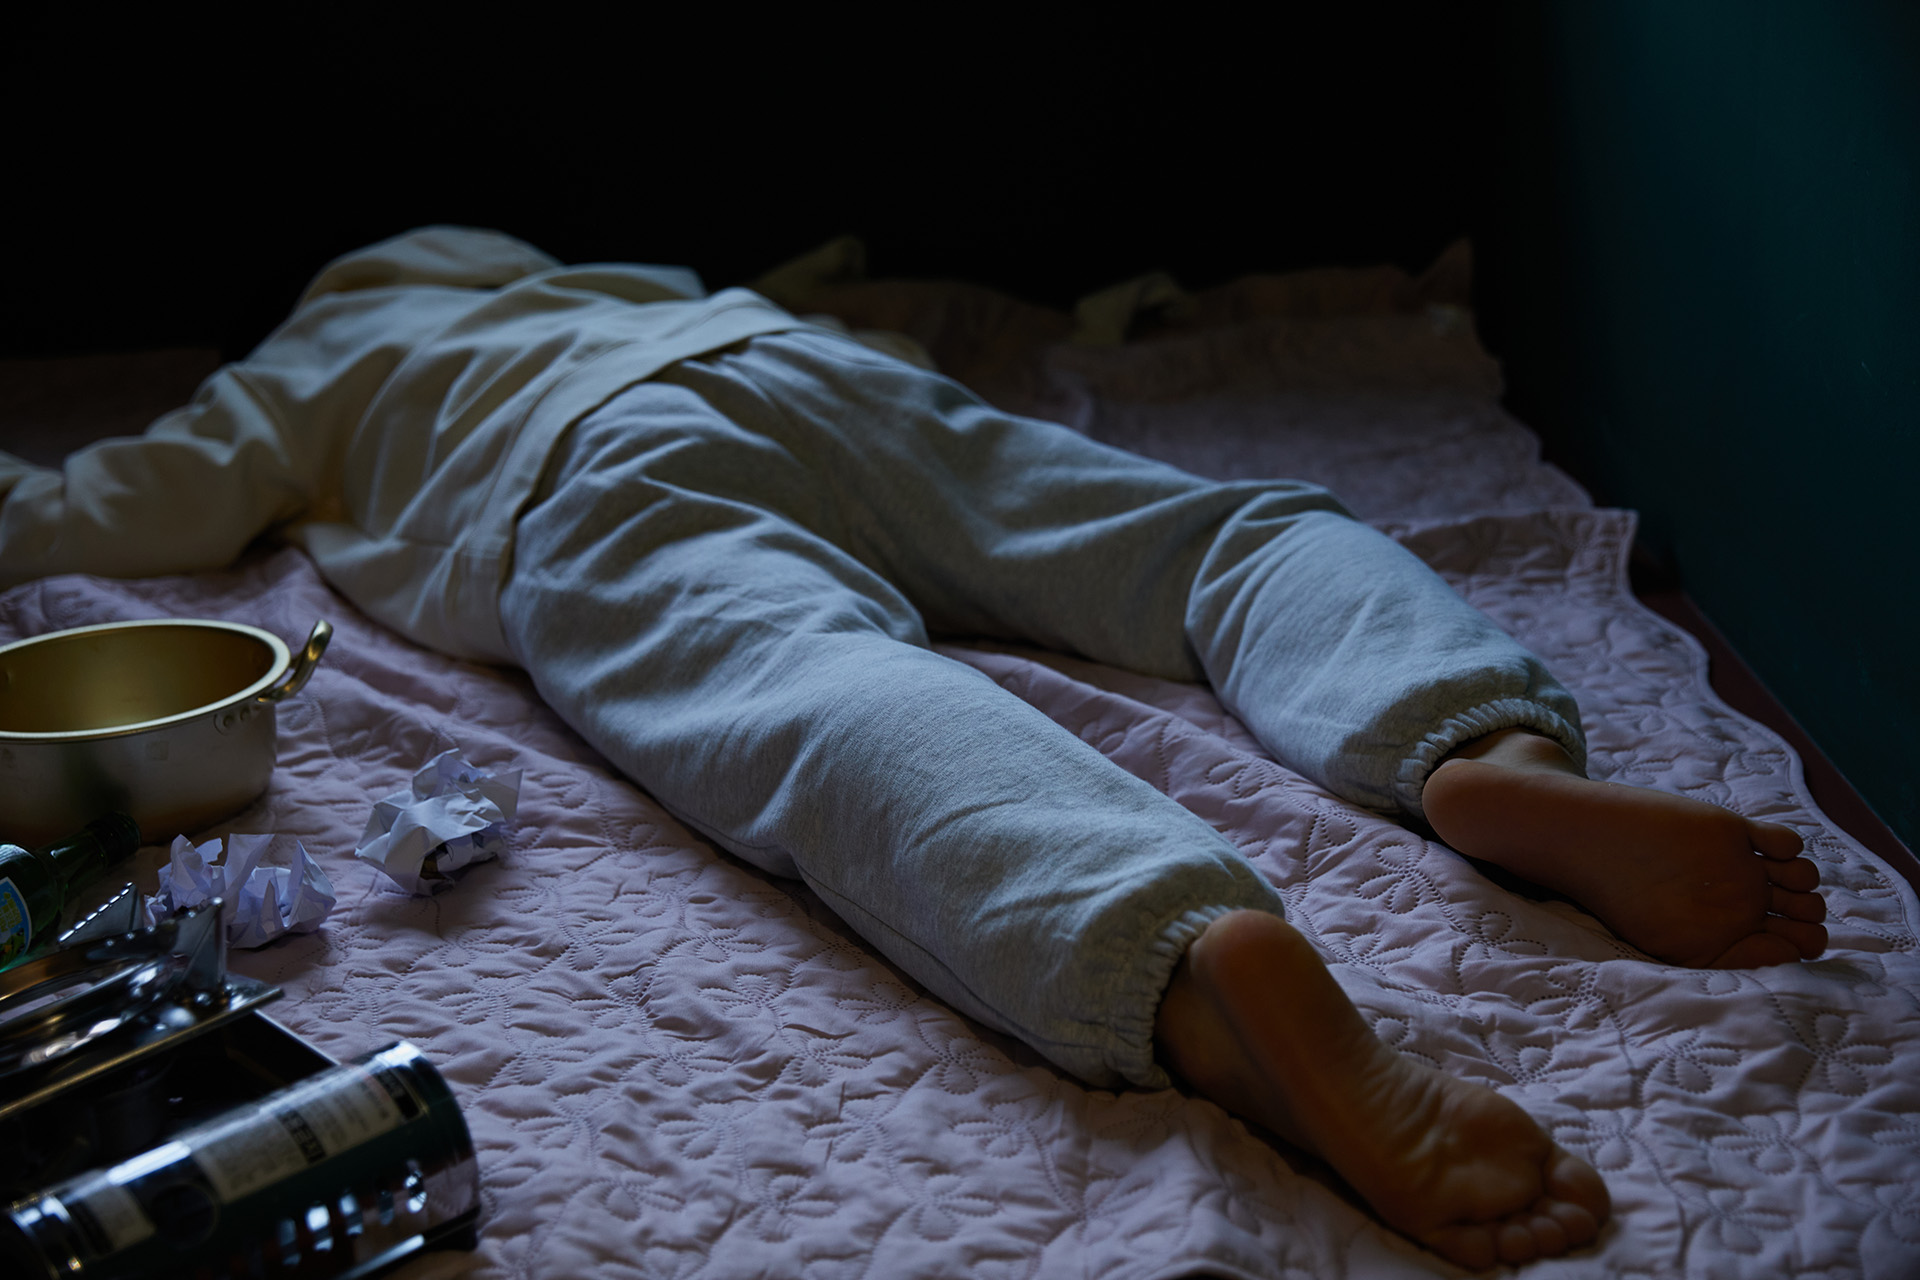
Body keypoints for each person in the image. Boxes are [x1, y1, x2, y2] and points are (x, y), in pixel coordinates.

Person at [0, 228, 1827, 1270]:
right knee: (1217, 541)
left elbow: (106, 508)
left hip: (578, 487)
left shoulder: (297, 373)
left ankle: (1188, 960)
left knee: (823, 694)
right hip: (803, 376)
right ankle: (1476, 751)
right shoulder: (584, 275)